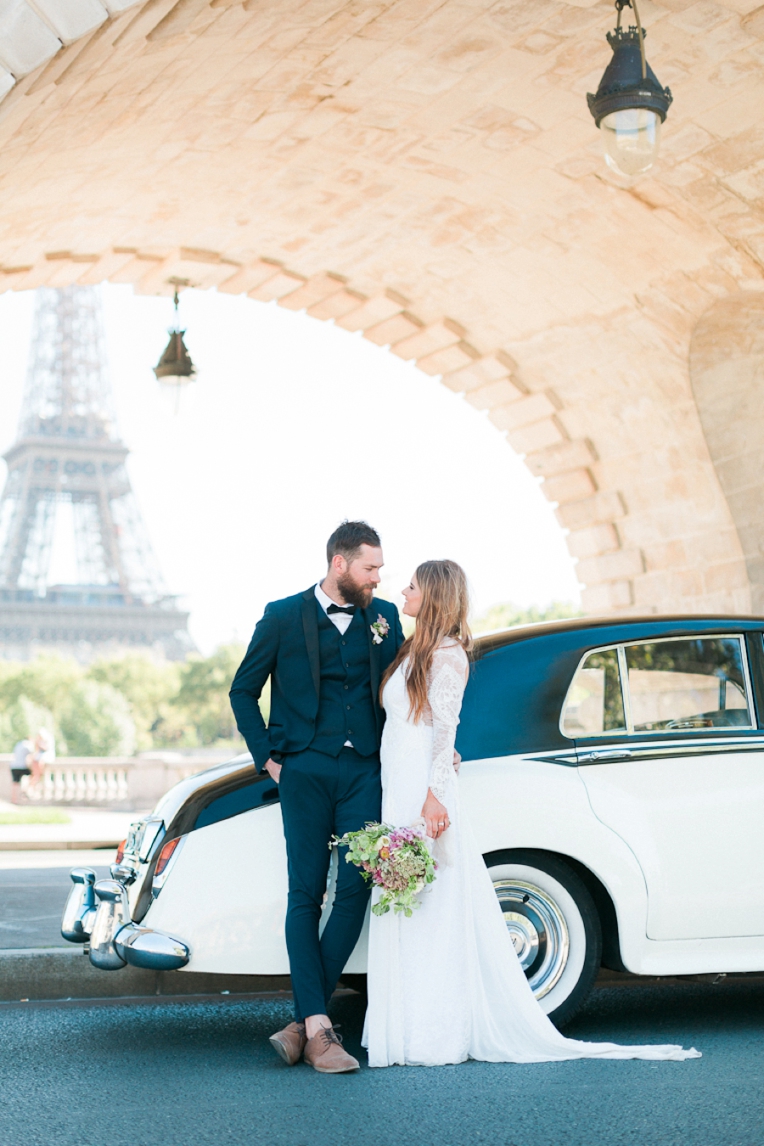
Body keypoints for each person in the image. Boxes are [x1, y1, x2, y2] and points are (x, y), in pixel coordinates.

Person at [363, 559, 701, 1067]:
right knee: (408, 898)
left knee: (431, 900)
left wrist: (435, 794)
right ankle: (406, 1025)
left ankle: (433, 1033)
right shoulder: (415, 649)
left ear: (433, 594)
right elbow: (419, 724)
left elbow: (446, 728)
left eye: (412, 584)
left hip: (422, 795)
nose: (402, 591)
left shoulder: (449, 655)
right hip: (400, 786)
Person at [230, 520, 405, 1073]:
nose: (379, 577)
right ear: (339, 564)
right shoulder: (282, 615)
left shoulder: (384, 618)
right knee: (305, 892)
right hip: (302, 770)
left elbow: (405, 689)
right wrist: (269, 759)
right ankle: (321, 1032)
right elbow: (242, 690)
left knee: (354, 890)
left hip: (362, 771)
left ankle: (307, 1024)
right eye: (370, 568)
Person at [10, 738, 33, 804]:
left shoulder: (18, 744)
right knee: (30, 775)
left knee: (15, 783)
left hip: (14, 766)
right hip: (22, 766)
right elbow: (32, 754)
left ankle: (14, 800)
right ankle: (24, 792)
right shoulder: (28, 745)